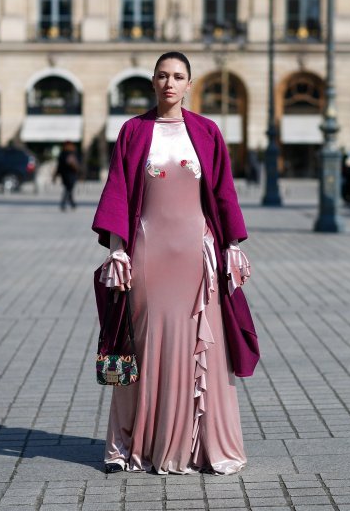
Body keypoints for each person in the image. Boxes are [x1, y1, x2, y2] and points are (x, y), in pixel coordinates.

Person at [92, 52, 259, 475]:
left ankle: (203, 448)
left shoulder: (207, 131)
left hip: (196, 258)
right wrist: (117, 249)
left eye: (178, 76)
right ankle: (126, 446)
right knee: (139, 344)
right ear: (152, 81)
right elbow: (118, 193)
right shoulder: (133, 131)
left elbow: (223, 192)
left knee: (202, 348)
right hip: (148, 256)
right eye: (163, 75)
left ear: (189, 83)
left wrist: (233, 244)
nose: (170, 83)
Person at [54, 141, 80, 211]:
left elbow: (59, 166)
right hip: (70, 174)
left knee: (68, 189)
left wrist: (56, 174)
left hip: (66, 174)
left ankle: (70, 204)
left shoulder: (64, 153)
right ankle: (67, 203)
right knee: (69, 189)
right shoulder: (72, 153)